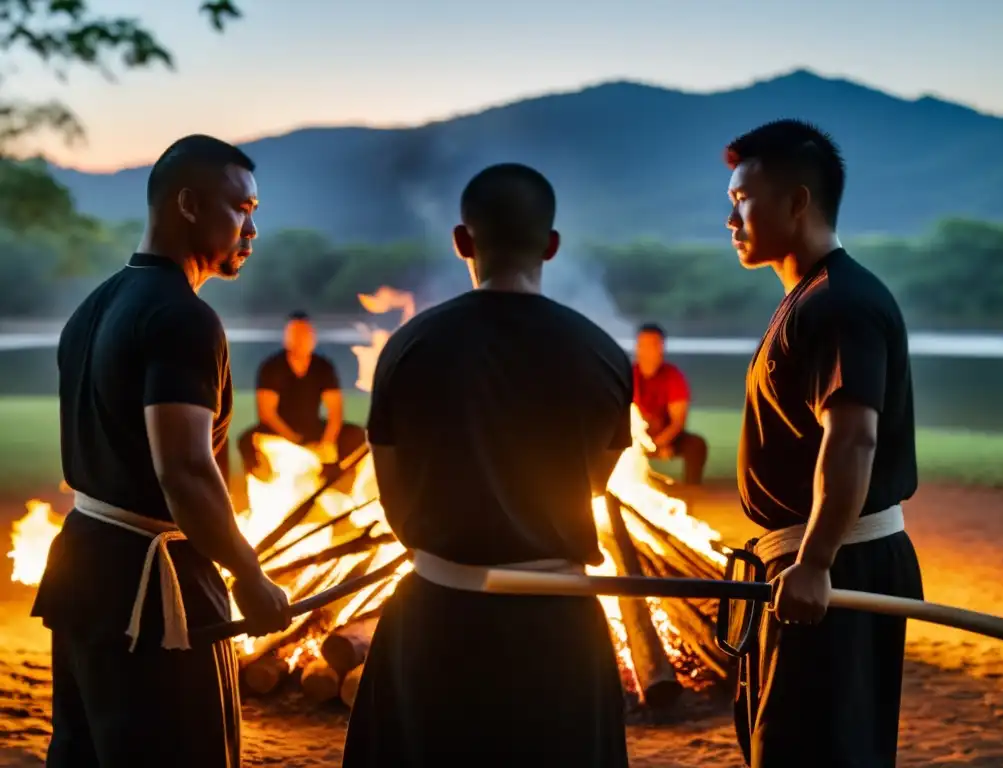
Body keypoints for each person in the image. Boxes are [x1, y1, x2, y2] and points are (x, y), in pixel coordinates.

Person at [342, 163, 633, 767]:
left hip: (439, 620)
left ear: (462, 241)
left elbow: (392, 493)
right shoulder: (601, 354)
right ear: (551, 245)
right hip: (558, 629)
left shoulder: (409, 348)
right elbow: (594, 484)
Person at [31, 134, 292, 768]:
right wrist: (249, 576)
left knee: (85, 754)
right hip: (153, 594)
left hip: (84, 570)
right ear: (188, 205)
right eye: (241, 208)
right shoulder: (183, 318)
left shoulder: (94, 307)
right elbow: (185, 470)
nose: (252, 227)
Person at [724, 120, 924, 767]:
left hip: (837, 563)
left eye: (741, 200)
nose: (731, 219)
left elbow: (855, 438)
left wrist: (813, 561)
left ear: (797, 201)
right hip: (813, 561)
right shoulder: (806, 299)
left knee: (816, 752)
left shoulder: (840, 302)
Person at [236, 311, 366, 479]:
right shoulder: (272, 367)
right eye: (295, 334)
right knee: (247, 440)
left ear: (313, 338)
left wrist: (326, 443)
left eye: (305, 333)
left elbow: (335, 412)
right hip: (279, 429)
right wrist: (294, 441)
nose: (301, 339)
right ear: (286, 338)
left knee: (356, 435)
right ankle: (264, 480)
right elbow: (267, 414)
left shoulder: (323, 367)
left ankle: (334, 478)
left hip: (312, 426)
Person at [633, 322, 708, 487]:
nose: (646, 351)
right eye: (642, 345)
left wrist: (659, 444)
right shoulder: (628, 375)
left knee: (696, 445)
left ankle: (691, 490)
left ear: (661, 348)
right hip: (633, 441)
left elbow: (678, 421)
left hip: (666, 438)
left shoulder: (673, 376)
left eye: (652, 345)